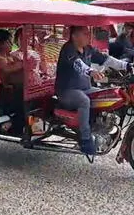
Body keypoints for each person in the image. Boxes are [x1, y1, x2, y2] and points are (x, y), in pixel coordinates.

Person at [55, 25, 132, 155]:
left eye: (88, 33)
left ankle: (100, 126)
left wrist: (126, 65)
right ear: (74, 36)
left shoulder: (88, 49)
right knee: (84, 101)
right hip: (67, 91)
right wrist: (91, 72)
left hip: (85, 88)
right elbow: (79, 65)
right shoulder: (68, 49)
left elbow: (106, 59)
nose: (88, 36)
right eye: (85, 33)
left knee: (106, 95)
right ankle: (86, 139)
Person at [0, 29, 25, 136]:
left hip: (7, 87)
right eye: (9, 42)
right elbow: (7, 69)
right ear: (1, 43)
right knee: (19, 98)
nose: (11, 44)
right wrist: (24, 63)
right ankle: (10, 123)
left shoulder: (8, 56)